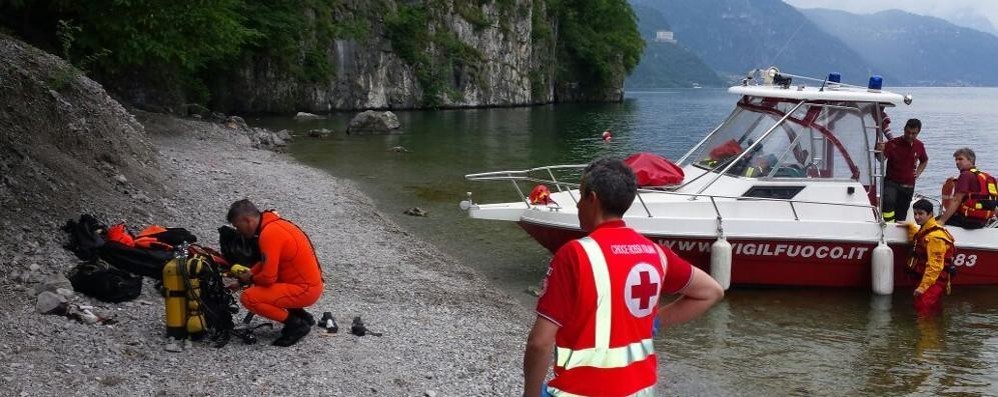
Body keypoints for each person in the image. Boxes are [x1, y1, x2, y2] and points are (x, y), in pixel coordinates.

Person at [522, 158, 724, 396]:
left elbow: (540, 343)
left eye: (580, 196)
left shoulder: (574, 254)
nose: (577, 205)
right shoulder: (655, 252)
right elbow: (711, 291)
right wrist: (653, 322)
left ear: (592, 199)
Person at [227, 199, 323, 347]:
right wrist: (241, 282)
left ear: (247, 220)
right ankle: (303, 316)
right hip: (308, 285)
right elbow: (265, 263)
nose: (238, 231)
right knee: (263, 285)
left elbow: (267, 279)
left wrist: (250, 278)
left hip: (306, 290)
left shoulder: (269, 235)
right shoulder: (275, 225)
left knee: (249, 297)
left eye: (237, 226)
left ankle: (296, 325)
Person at [904, 199, 955, 316]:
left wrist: (922, 287)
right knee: (929, 308)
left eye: (920, 214)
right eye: (915, 213)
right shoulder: (926, 230)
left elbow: (935, 266)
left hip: (934, 280)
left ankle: (928, 333)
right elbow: (918, 239)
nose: (917, 217)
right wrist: (910, 226)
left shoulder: (935, 237)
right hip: (927, 278)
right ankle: (934, 328)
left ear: (930, 214)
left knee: (923, 308)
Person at [875, 118, 927, 223]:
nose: (910, 135)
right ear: (904, 130)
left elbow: (924, 160)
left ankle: (896, 229)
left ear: (918, 132)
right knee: (888, 202)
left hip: (908, 185)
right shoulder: (892, 143)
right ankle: (889, 225)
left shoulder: (919, 145)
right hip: (891, 182)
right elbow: (881, 159)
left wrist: (917, 174)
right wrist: (878, 150)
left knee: (902, 214)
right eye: (908, 132)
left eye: (914, 133)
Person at [938, 148, 998, 229]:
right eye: (956, 160)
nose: (957, 162)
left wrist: (941, 221)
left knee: (932, 221)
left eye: (960, 159)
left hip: (968, 221)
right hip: (982, 220)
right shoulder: (986, 176)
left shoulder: (965, 175)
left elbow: (957, 200)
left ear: (970, 160)